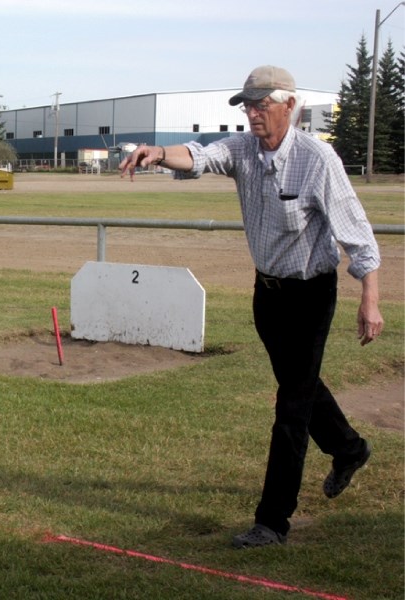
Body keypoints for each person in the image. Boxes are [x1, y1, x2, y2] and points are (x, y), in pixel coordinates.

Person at [119, 65, 384, 548]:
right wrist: (158, 152)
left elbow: (357, 236)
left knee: (291, 407)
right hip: (267, 296)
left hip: (310, 295)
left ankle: (272, 521)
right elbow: (198, 156)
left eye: (260, 105)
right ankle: (350, 447)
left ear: (290, 105)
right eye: (247, 106)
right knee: (298, 386)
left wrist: (370, 299)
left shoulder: (317, 159)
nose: (252, 114)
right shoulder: (242, 149)